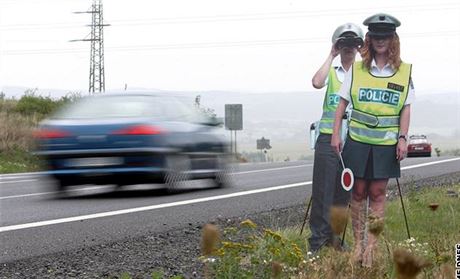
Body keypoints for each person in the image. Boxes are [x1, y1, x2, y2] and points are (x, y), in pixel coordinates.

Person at [331, 13, 414, 267]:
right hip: (357, 140)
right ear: (369, 39)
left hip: (386, 145)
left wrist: (402, 138)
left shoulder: (403, 72)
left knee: (378, 193)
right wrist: (336, 134)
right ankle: (357, 245)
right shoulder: (356, 70)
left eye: (385, 36)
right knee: (358, 192)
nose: (381, 40)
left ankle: (371, 249)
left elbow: (406, 108)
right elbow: (341, 105)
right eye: (376, 36)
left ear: (393, 39)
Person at [308, 23, 364, 253]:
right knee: (323, 191)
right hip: (328, 138)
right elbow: (316, 82)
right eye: (344, 43)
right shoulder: (332, 72)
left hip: (354, 139)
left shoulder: (364, 73)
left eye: (353, 44)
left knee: (344, 192)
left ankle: (335, 239)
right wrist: (331, 55)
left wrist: (365, 53)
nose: (349, 48)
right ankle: (317, 242)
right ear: (338, 46)